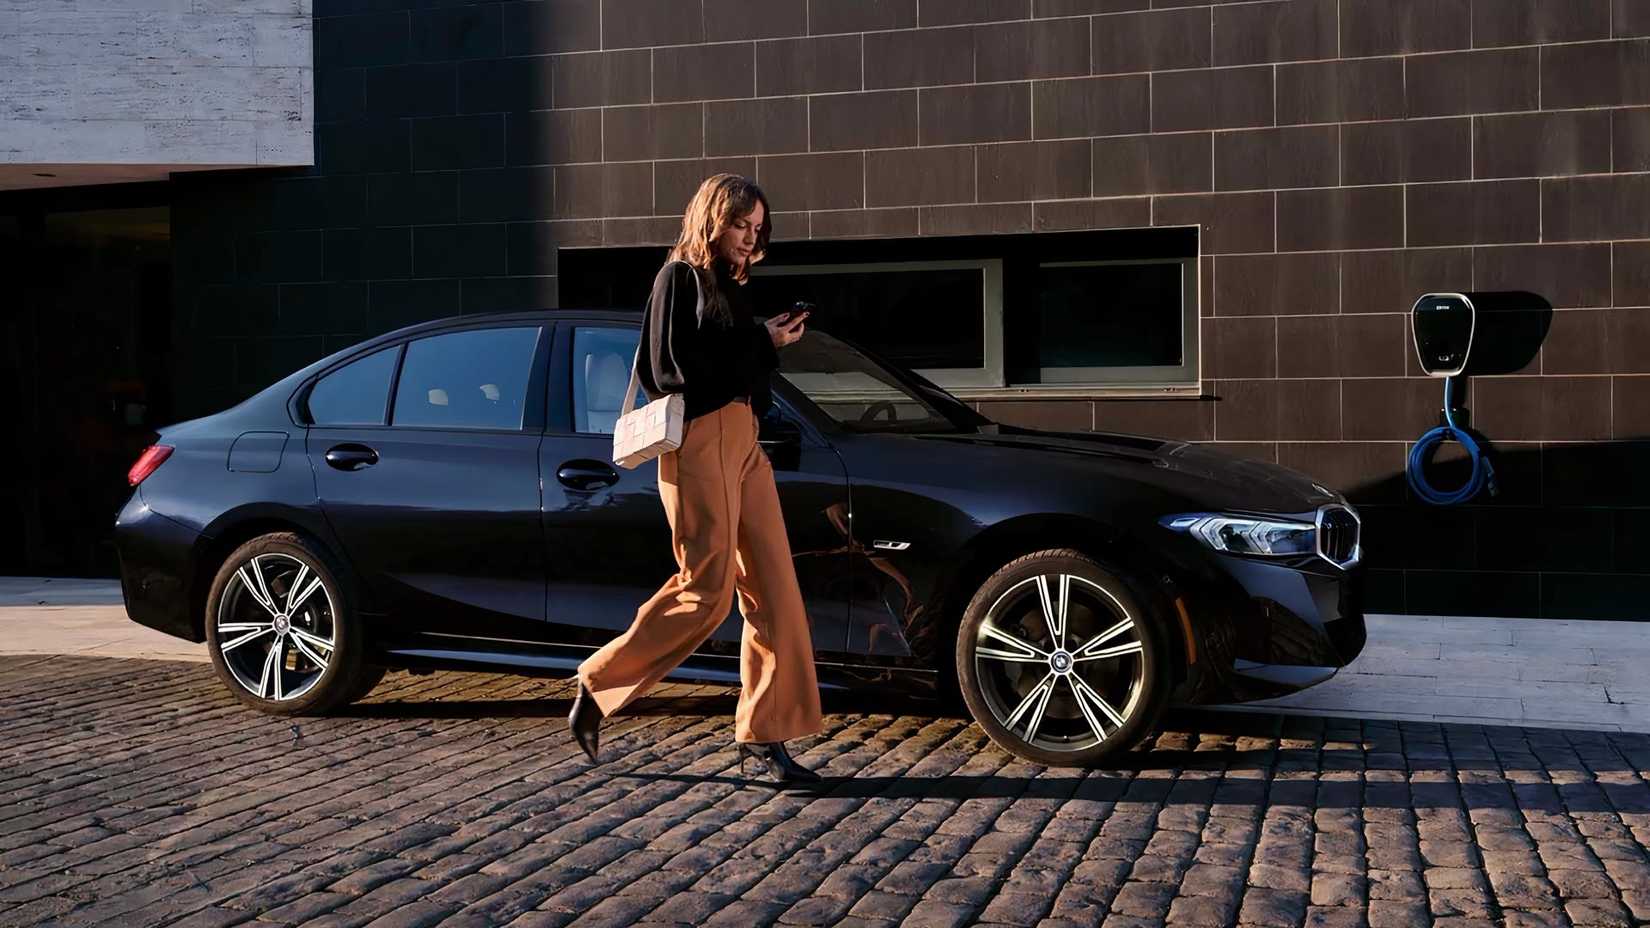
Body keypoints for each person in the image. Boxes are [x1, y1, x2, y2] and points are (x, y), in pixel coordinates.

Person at [567, 173, 823, 784]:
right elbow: (672, 370)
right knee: (705, 591)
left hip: (744, 441)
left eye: (757, 228)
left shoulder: (734, 284)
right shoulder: (679, 278)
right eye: (740, 224)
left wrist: (769, 341)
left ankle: (764, 734)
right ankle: (598, 683)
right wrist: (759, 340)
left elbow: (738, 367)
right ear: (713, 218)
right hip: (700, 441)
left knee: (777, 592)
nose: (749, 238)